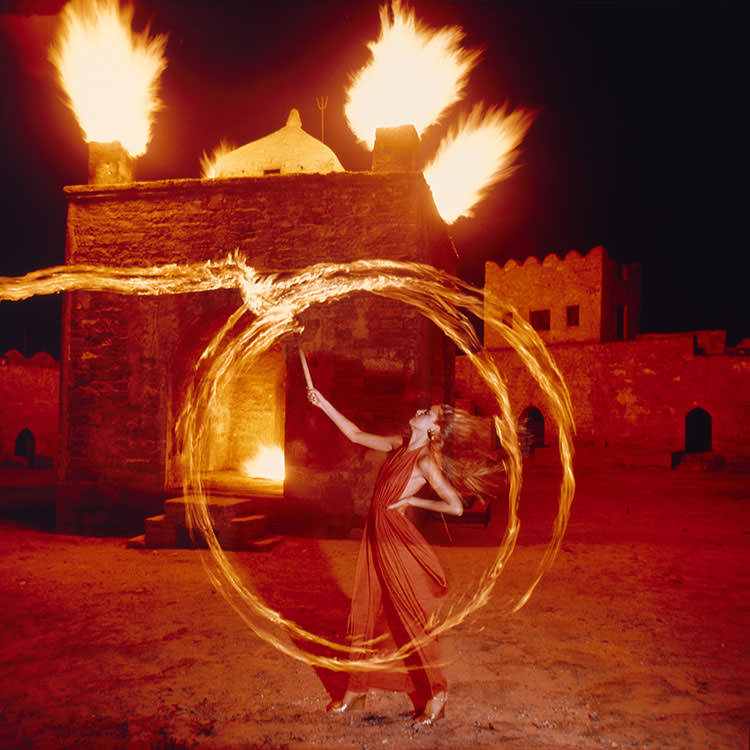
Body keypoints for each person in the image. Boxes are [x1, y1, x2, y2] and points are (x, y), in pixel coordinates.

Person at [306, 387, 464, 725]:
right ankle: (357, 690)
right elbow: (356, 434)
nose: (421, 410)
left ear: (433, 429)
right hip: (375, 533)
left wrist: (413, 502)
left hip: (395, 538)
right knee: (365, 607)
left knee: (410, 616)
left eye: (428, 412)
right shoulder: (398, 444)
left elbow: (456, 505)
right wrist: (324, 402)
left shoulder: (424, 461)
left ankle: (437, 693)